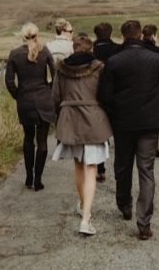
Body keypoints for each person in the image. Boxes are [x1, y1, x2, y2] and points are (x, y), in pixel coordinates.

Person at [98, 20, 159, 240]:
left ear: (123, 37)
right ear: (141, 35)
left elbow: (105, 96)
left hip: (122, 123)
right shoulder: (158, 59)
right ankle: (144, 224)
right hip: (150, 123)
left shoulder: (113, 62)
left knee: (123, 165)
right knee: (146, 169)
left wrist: (115, 112)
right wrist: (156, 104)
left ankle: (125, 205)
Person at [51, 35, 112, 236]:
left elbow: (55, 97)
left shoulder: (61, 70)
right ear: (91, 49)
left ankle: (83, 206)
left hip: (70, 121)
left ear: (73, 48)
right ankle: (86, 219)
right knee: (91, 168)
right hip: (94, 121)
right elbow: (105, 95)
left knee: (78, 165)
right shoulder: (99, 68)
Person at [5, 22, 56, 190]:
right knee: (42, 140)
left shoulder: (14, 54)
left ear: (22, 36)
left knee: (28, 138)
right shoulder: (45, 51)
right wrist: (48, 90)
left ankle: (28, 176)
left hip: (25, 101)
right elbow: (55, 77)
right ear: (37, 34)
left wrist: (19, 95)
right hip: (44, 100)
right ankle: (38, 180)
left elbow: (9, 82)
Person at [92, 21, 122, 181]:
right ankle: (119, 168)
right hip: (115, 96)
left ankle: (101, 168)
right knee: (118, 133)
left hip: (95, 96)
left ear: (96, 34)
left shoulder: (92, 50)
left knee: (99, 135)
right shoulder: (118, 49)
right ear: (110, 33)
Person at [142, 24, 159, 157]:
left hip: (138, 93)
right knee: (155, 124)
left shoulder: (137, 50)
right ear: (154, 36)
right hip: (156, 93)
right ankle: (154, 146)